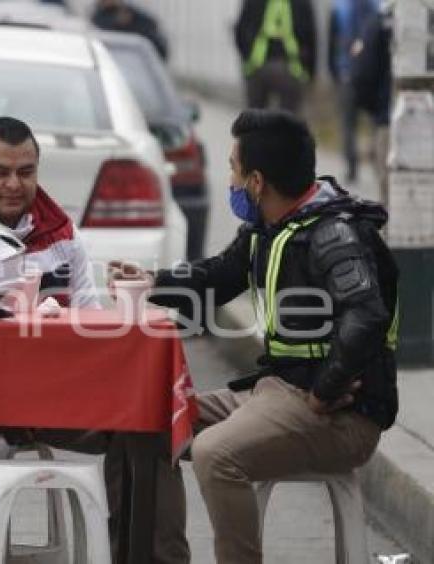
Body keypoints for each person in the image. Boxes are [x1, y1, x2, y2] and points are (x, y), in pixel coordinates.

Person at [111, 109, 399, 564]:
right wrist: (154, 281)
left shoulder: (334, 234)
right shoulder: (271, 228)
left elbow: (366, 314)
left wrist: (327, 388)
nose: (230, 179)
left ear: (257, 181)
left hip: (339, 416)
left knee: (214, 453)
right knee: (150, 422)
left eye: (233, 168)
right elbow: (220, 276)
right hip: (278, 393)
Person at [0, 116, 190, 564]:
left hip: (59, 401)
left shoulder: (62, 236)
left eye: (25, 172)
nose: (13, 185)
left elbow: (92, 329)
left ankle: (142, 556)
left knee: (146, 415)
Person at [234, 0, 317, 115]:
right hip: (291, 69)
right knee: (289, 121)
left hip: (257, 68)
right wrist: (311, 73)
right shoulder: (302, 3)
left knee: (255, 121)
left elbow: (240, 31)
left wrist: (247, 57)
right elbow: (311, 37)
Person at [329, 0, 379, 184]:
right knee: (376, 121)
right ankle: (377, 161)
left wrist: (334, 72)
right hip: (373, 74)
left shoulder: (340, 7)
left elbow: (332, 40)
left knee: (348, 124)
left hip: (347, 72)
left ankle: (352, 167)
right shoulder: (378, 5)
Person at [349, 1, 394, 202]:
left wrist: (374, 109)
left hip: (388, 118)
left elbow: (364, 73)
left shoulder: (381, 21)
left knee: (391, 194)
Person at [91, 0, 168, 60]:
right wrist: (117, 21)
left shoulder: (128, 12)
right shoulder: (98, 17)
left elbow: (151, 23)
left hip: (141, 56)